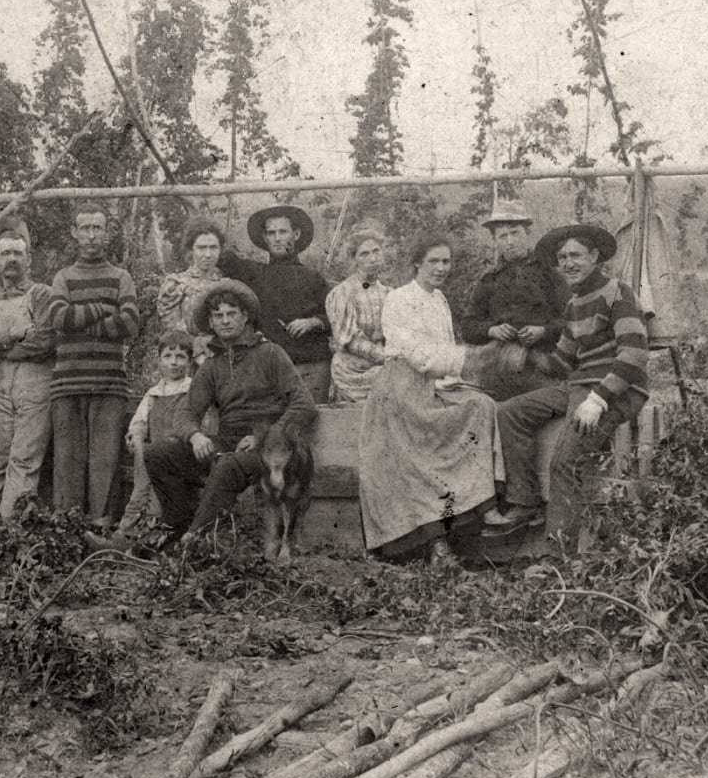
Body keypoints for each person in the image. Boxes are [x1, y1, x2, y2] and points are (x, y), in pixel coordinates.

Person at [357, 233, 522, 566]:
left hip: (433, 384)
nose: (441, 268)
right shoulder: (400, 299)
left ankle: (483, 505)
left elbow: (444, 353)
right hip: (400, 391)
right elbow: (418, 355)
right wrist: (476, 357)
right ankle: (434, 544)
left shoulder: (440, 300)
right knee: (422, 450)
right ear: (417, 263)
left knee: (482, 406)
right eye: (433, 261)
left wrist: (467, 375)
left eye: (446, 261)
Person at [495, 224, 650, 551]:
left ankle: (559, 557)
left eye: (576, 255)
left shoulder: (617, 293)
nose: (568, 263)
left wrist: (597, 400)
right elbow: (562, 365)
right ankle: (523, 500)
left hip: (616, 392)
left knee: (564, 462)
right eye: (562, 257)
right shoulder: (573, 304)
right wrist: (527, 356)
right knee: (510, 413)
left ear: (594, 257)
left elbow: (634, 353)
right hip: (578, 385)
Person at [143, 279, 317, 539]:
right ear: (211, 322)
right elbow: (186, 413)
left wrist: (264, 437)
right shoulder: (213, 366)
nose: (225, 321)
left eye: (231, 314)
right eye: (218, 316)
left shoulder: (271, 353)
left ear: (245, 317)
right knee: (159, 453)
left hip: (274, 447)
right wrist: (195, 435)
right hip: (230, 443)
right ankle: (177, 530)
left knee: (227, 465)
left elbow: (305, 404)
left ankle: (194, 541)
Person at [46, 202, 140, 523]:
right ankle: (67, 531)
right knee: (68, 462)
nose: (91, 236)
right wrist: (102, 308)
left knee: (104, 463)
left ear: (107, 233)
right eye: (84, 228)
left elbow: (129, 323)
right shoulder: (63, 277)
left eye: (97, 228)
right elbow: (58, 317)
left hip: (109, 383)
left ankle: (100, 531)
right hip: (67, 384)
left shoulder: (120, 277)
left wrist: (83, 316)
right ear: (74, 233)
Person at [0, 227, 55, 519]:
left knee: (23, 462)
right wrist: (12, 334)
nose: (12, 259)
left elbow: (43, 342)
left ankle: (9, 536)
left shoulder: (42, 294)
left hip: (35, 390)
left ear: (29, 258)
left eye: (18, 253)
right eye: (6, 253)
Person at [83, 328, 197, 552]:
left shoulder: (192, 389)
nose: (174, 362)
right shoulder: (153, 393)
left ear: (190, 362)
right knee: (139, 494)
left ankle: (146, 544)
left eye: (180, 357)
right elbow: (139, 422)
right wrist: (135, 435)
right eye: (168, 356)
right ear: (160, 360)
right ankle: (121, 538)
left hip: (177, 458)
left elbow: (196, 421)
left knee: (156, 500)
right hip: (151, 458)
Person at [219, 204, 333, 403]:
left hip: (312, 366)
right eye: (271, 233)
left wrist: (313, 322)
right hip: (269, 368)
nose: (277, 238)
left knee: (312, 422)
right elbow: (224, 259)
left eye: (283, 231)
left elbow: (335, 315)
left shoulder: (313, 277)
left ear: (296, 234)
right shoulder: (254, 273)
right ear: (264, 238)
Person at [459, 198, 570, 401]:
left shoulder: (550, 275)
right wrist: (491, 330)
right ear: (495, 241)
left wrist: (544, 331)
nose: (510, 241)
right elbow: (467, 327)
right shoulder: (489, 280)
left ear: (527, 233)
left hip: (543, 366)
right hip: (498, 368)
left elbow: (572, 321)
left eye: (515, 233)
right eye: (503, 236)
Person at [325, 225, 390, 402]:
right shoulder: (344, 292)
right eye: (364, 254)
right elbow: (349, 340)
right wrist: (387, 357)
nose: (372, 258)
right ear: (354, 259)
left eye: (376, 251)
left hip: (383, 365)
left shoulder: (388, 293)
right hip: (352, 372)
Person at [156, 216, 225, 364]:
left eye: (213, 247)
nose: (208, 254)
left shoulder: (226, 284)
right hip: (185, 356)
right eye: (201, 248)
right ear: (191, 249)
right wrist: (198, 349)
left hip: (221, 354)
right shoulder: (176, 284)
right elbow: (173, 329)